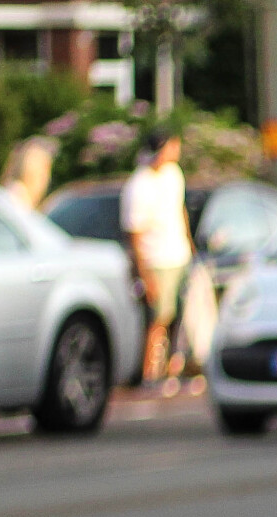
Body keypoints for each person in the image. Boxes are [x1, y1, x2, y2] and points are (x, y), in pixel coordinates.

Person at [120, 129, 192, 388]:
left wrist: (189, 245)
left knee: (178, 317)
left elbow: (179, 210)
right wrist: (145, 274)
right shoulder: (140, 185)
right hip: (156, 260)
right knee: (157, 320)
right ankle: (149, 375)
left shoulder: (174, 175)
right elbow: (135, 235)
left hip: (178, 255)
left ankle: (172, 370)